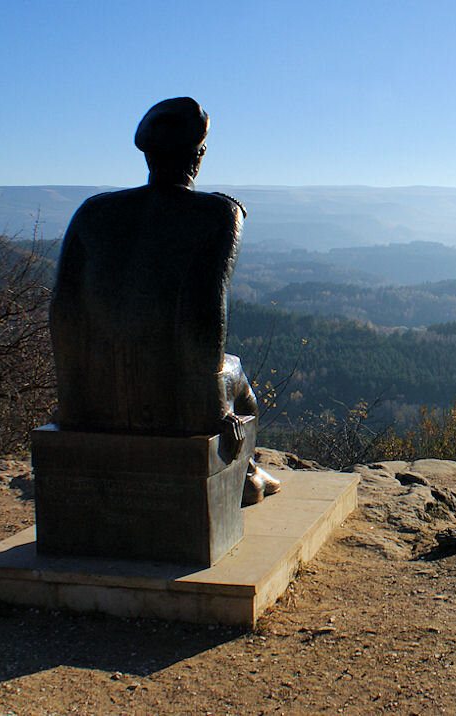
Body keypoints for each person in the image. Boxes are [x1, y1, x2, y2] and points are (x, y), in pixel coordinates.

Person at [50, 97, 279, 503]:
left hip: (93, 390)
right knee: (239, 378)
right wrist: (211, 408)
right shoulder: (218, 213)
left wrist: (72, 401)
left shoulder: (93, 211)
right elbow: (206, 307)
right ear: (199, 155)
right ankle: (245, 473)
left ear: (148, 155)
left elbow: (64, 312)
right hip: (177, 392)